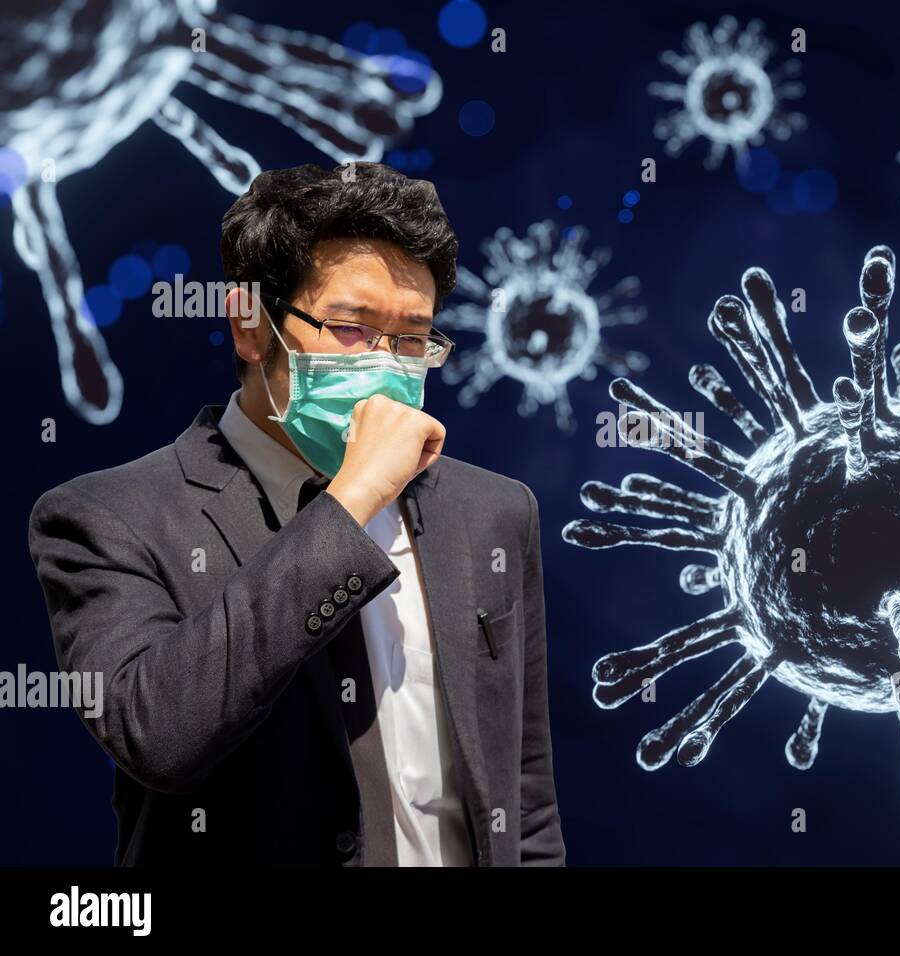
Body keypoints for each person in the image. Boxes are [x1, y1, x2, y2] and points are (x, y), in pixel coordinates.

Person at [27, 162, 564, 866]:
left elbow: (524, 801)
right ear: (251, 327)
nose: (388, 365)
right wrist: (351, 501)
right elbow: (156, 733)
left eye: (412, 338)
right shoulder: (105, 517)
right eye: (351, 327)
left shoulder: (492, 512)